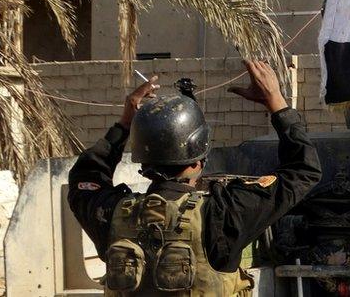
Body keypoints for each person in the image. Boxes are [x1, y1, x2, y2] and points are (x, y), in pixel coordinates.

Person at [68, 60, 322, 295]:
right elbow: (304, 170)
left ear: (142, 159)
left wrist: (125, 123)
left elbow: (85, 176)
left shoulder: (110, 213)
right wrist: (276, 102)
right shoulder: (224, 214)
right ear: (199, 159)